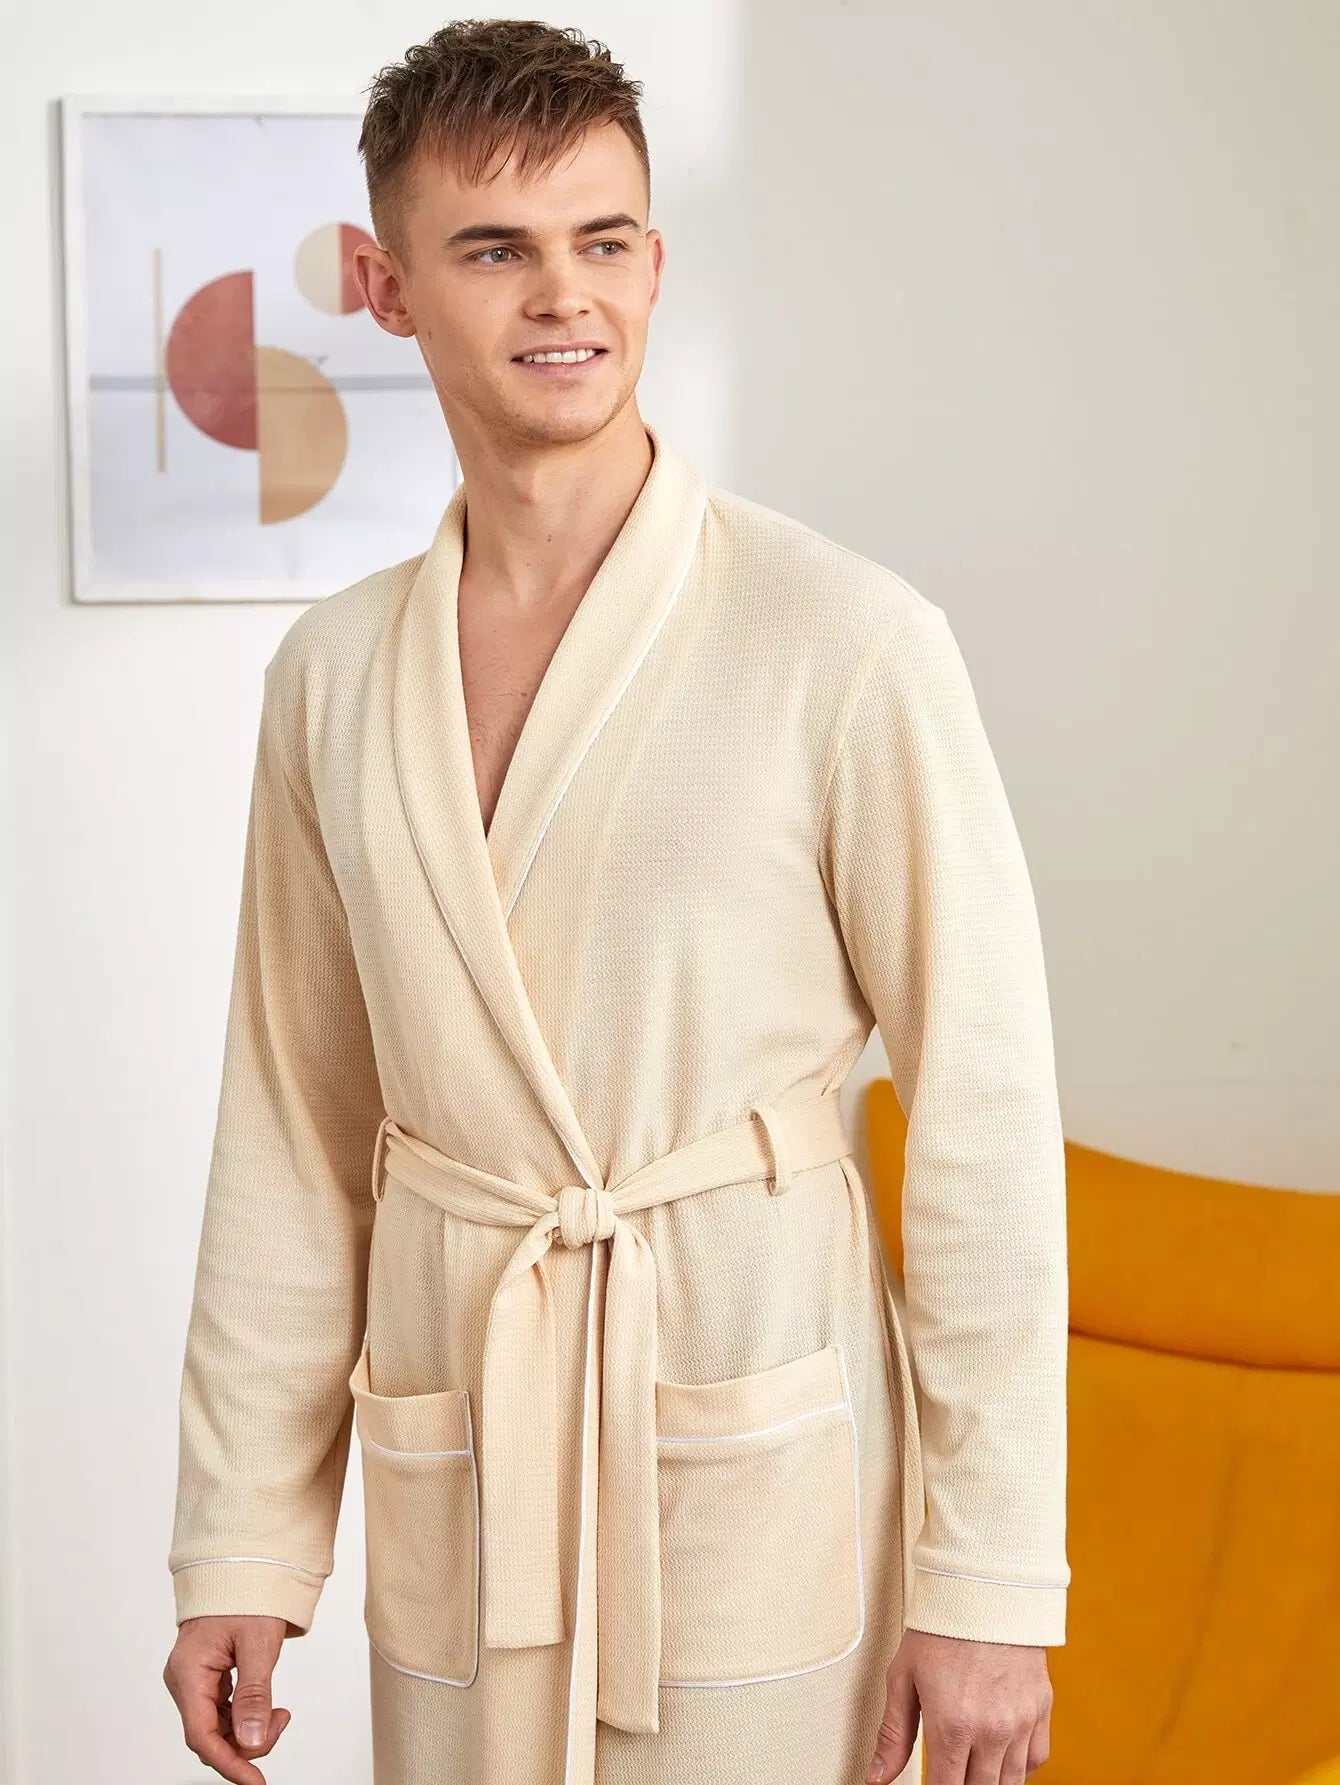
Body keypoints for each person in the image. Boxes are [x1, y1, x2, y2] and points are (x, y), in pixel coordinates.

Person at [161, 18, 1070, 1785]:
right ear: (387, 287)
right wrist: (245, 1539)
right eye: (494, 249)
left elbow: (983, 1111)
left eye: (602, 240)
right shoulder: (332, 677)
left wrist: (988, 1576)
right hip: (467, 1417)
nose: (562, 295)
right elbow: (291, 1126)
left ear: (656, 263)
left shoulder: (843, 639)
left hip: (752, 1396)